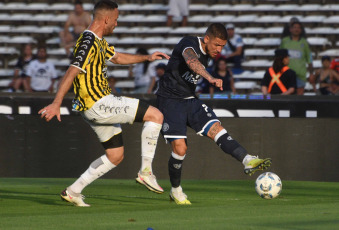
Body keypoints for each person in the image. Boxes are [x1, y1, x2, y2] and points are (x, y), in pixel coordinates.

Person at [39, 0, 170, 207]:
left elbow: (117, 58)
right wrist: (56, 102)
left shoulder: (98, 41)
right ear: (107, 19)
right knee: (156, 115)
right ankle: (146, 172)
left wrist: (147, 57)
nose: (116, 24)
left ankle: (73, 191)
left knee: (115, 155)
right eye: (116, 20)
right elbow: (72, 70)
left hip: (92, 108)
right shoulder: (88, 41)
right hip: (99, 102)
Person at [155, 23, 272, 205]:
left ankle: (247, 160)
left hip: (189, 99)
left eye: (222, 46)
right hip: (170, 100)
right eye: (217, 45)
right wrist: (210, 78)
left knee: (216, 128)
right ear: (206, 38)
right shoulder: (189, 43)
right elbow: (191, 60)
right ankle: (176, 190)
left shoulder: (210, 52)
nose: (219, 50)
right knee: (180, 148)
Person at [280, 21, 314, 95]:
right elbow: (279, 57)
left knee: (299, 96)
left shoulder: (304, 43)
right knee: (286, 94)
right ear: (290, 29)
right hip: (286, 73)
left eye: (298, 28)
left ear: (301, 30)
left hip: (300, 74)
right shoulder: (285, 41)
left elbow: (309, 58)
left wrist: (311, 73)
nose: (296, 29)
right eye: (294, 27)